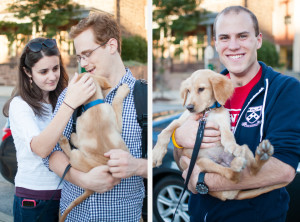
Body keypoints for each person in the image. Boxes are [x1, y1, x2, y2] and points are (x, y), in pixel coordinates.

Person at [173, 6, 300, 222]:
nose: (233, 46)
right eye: (224, 38)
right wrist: (178, 140)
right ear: (215, 43)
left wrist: (204, 180)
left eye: (242, 36)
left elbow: (283, 169)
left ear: (258, 40)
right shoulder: (206, 88)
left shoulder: (284, 89)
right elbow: (182, 159)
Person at [43, 12, 147, 221]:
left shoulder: (144, 97)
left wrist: (137, 166)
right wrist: (83, 179)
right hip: (75, 216)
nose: (83, 63)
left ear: (111, 46)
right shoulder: (72, 93)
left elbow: (170, 162)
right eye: (79, 57)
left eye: (88, 53)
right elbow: (50, 153)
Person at [2, 37, 95, 222]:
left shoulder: (62, 98)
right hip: (35, 198)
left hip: (69, 193)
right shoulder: (20, 105)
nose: (52, 76)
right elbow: (41, 148)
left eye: (55, 68)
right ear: (27, 72)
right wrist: (69, 104)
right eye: (43, 71)